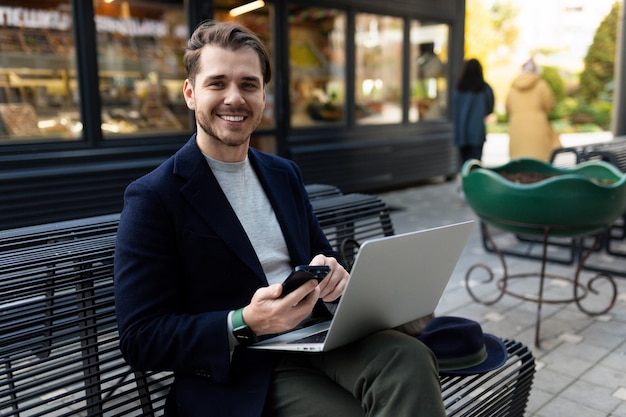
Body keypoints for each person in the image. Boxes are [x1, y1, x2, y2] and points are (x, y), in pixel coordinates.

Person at [113, 20, 446, 417]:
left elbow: (320, 255)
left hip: (314, 336)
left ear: (263, 96)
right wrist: (245, 321)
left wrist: (336, 276)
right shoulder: (154, 195)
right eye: (217, 83)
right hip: (240, 368)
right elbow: (140, 338)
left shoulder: (282, 173)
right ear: (190, 94)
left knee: (408, 357)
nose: (234, 98)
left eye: (249, 84)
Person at [506, 58, 561, 161]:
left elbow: (508, 109)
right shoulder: (542, 85)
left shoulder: (512, 88)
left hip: (516, 126)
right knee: (540, 161)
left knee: (518, 161)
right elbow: (549, 105)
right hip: (538, 126)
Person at [452, 58, 495, 166]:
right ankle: (475, 182)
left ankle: (467, 182)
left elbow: (453, 108)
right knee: (476, 164)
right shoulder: (484, 88)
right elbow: (490, 107)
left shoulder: (458, 88)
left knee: (465, 165)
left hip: (462, 132)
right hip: (477, 132)